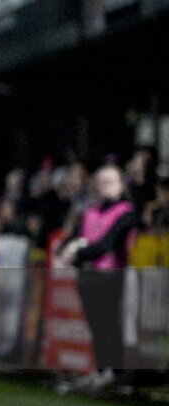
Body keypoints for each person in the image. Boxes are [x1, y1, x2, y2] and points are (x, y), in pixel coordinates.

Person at [57, 164, 139, 392]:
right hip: (88, 275)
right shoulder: (91, 211)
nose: (105, 187)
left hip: (111, 275)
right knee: (95, 324)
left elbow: (108, 244)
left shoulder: (126, 212)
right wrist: (65, 249)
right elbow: (75, 236)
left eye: (110, 182)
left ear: (121, 185)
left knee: (109, 323)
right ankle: (101, 368)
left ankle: (113, 371)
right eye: (101, 182)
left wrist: (77, 253)